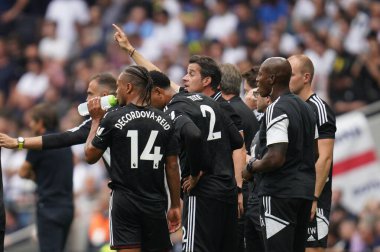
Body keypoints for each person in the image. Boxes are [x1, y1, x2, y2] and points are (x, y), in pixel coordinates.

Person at [113, 23, 246, 218]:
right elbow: (159, 78)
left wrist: (239, 189)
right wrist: (130, 50)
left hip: (211, 188)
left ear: (207, 81)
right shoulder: (191, 100)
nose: (184, 79)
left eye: (191, 74)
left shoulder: (223, 106)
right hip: (218, 189)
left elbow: (240, 148)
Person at [84, 65, 181, 252]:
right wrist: (175, 204)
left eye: (118, 86)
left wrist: (96, 120)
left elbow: (89, 155)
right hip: (155, 202)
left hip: (125, 203)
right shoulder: (166, 121)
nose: (116, 92)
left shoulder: (112, 117)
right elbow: (172, 166)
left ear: (128, 88)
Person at [148, 69, 244, 252]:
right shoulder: (209, 100)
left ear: (157, 92)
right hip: (227, 190)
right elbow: (237, 140)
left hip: (203, 192)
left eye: (148, 99)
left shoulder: (174, 109)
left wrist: (196, 171)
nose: (149, 106)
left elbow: (193, 134)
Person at [243, 57, 317, 252]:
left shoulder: (276, 108)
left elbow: (275, 157)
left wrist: (251, 167)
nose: (257, 81)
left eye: (261, 75)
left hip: (279, 194)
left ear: (272, 79)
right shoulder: (307, 108)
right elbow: (315, 153)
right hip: (303, 192)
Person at [288, 54, 336, 252]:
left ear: (306, 77)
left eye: (290, 75)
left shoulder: (319, 108)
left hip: (312, 195)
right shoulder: (288, 107)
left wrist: (313, 198)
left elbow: (325, 157)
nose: (285, 79)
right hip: (290, 194)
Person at [0, 73, 116, 153]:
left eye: (90, 93)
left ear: (104, 96)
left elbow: (61, 139)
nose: (86, 99)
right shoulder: (129, 111)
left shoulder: (97, 122)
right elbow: (62, 138)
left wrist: (17, 142)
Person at [18, 103, 74, 252]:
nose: (30, 125)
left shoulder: (38, 144)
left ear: (41, 123)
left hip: (49, 207)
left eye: (32, 121)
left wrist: (36, 178)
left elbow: (22, 172)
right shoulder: (65, 142)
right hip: (67, 207)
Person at [219, 63, 260, 252]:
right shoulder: (245, 111)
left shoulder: (230, 112)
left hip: (238, 194)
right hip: (247, 192)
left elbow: (239, 152)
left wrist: (237, 191)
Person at [243, 91, 272, 252]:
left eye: (257, 93)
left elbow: (273, 159)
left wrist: (249, 163)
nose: (252, 97)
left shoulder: (275, 124)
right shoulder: (262, 123)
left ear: (268, 99)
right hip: (253, 197)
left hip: (264, 198)